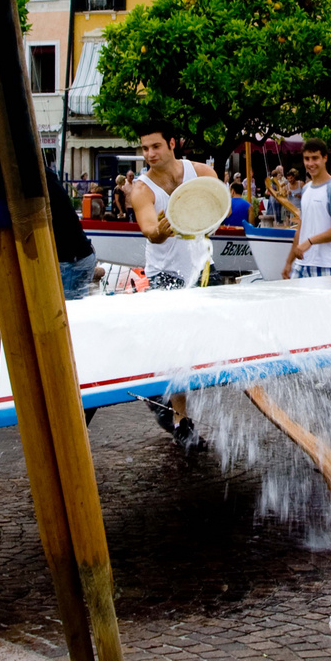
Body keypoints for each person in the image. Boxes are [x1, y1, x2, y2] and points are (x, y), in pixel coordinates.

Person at [126, 119, 221, 453]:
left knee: (209, 339)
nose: (150, 154)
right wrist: (162, 230)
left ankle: (159, 390)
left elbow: (218, 203)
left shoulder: (201, 173)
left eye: (156, 146)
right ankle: (181, 422)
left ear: (172, 144)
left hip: (203, 266)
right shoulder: (142, 188)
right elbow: (150, 229)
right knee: (180, 351)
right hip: (166, 276)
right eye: (145, 148)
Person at [282, 137, 331, 279]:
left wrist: (310, 241)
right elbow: (301, 227)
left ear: (325, 158)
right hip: (303, 263)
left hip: (327, 265)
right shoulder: (306, 189)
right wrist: (289, 261)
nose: (310, 163)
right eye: (307, 159)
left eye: (315, 158)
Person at [46, 164, 99, 300]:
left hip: (71, 259)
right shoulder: (49, 180)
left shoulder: (43, 183)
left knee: (69, 313)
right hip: (79, 254)